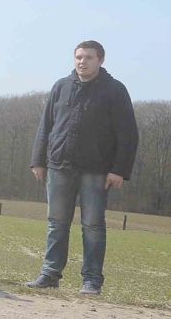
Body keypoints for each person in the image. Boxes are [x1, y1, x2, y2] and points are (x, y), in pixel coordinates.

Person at [27, 40, 138, 295]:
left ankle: (92, 280)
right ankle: (50, 274)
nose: (82, 62)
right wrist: (38, 160)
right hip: (59, 166)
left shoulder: (115, 90)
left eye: (88, 57)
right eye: (78, 57)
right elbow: (46, 125)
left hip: (96, 169)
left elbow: (128, 134)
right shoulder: (61, 87)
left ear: (100, 60)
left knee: (93, 226)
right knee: (56, 223)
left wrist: (119, 170)